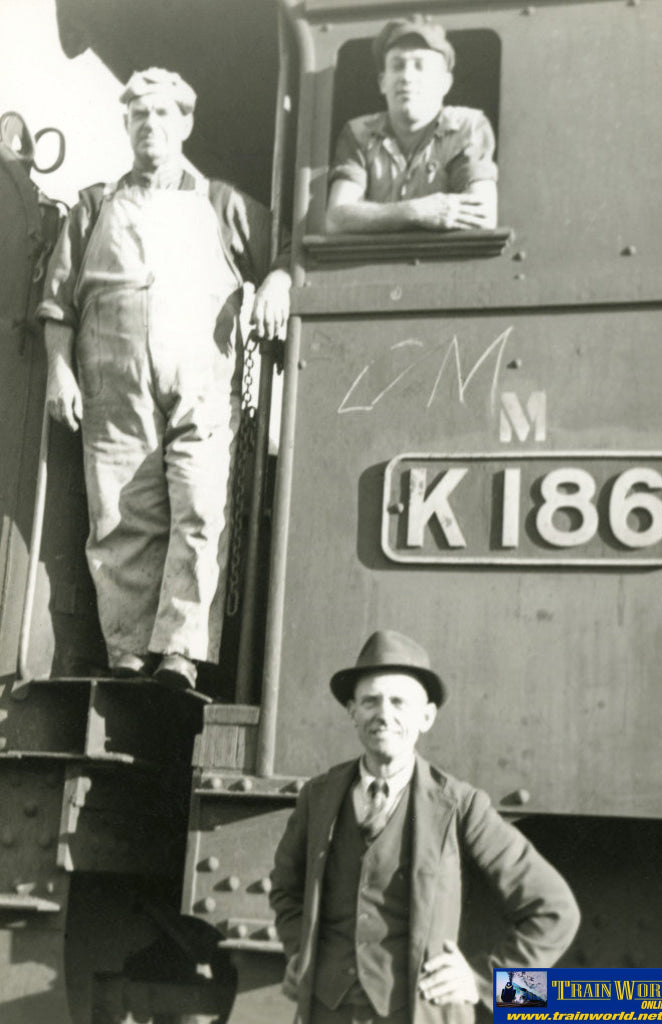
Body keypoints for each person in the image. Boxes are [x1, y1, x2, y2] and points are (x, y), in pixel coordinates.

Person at [37, 68, 291, 689]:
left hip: (202, 380)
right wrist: (60, 372)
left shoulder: (224, 204)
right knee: (119, 513)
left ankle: (180, 651)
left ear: (186, 123)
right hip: (111, 382)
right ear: (125, 125)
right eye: (139, 115)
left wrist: (279, 280)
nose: (150, 124)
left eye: (163, 114)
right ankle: (127, 649)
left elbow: (288, 249)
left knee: (201, 506)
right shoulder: (93, 205)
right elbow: (58, 304)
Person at [270, 630, 580, 1024]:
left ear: (426, 717)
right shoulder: (318, 797)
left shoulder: (461, 804)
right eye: (370, 701)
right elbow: (285, 890)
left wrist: (488, 986)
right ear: (352, 712)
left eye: (399, 702)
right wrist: (301, 953)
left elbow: (556, 909)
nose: (384, 714)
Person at [326, 21, 498, 235]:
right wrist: (415, 211)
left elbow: (482, 216)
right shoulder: (359, 134)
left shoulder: (468, 127)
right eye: (397, 66)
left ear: (445, 83)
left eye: (420, 65)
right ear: (382, 82)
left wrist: (377, 219)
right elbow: (337, 218)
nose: (407, 77)